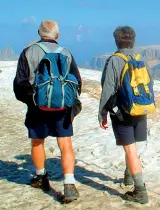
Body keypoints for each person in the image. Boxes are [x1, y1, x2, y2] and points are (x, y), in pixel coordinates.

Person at [13, 20, 82, 203]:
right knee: (65, 144)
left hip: (37, 107)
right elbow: (77, 83)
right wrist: (69, 105)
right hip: (62, 109)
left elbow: (20, 85)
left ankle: (41, 177)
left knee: (37, 142)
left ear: (39, 33)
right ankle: (69, 184)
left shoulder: (28, 52)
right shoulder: (66, 53)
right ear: (57, 36)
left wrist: (33, 101)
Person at [98, 26, 155, 204]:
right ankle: (128, 176)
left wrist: (103, 113)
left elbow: (107, 88)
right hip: (140, 108)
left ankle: (140, 191)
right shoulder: (141, 59)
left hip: (122, 111)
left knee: (130, 149)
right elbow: (149, 84)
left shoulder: (114, 60)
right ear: (133, 41)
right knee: (132, 148)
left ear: (116, 40)